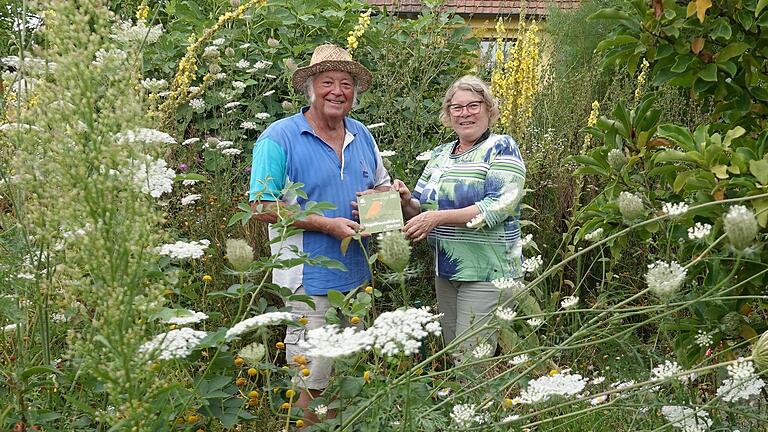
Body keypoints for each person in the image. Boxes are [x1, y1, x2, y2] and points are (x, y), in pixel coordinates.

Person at [249, 44, 391, 425]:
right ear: (310, 88)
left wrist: (381, 200)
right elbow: (262, 207)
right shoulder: (278, 138)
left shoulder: (361, 134)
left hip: (359, 276)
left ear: (355, 93)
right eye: (327, 81)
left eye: (346, 83)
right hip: (308, 280)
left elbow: (381, 186)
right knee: (311, 377)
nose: (337, 91)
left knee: (346, 374)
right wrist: (325, 223)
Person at [393, 75, 526, 359]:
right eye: (457, 107)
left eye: (474, 105)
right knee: (455, 354)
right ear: (448, 114)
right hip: (448, 270)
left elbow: (499, 205)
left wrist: (437, 218)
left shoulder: (502, 147)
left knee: (471, 361)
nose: (465, 113)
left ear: (489, 109)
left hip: (489, 272)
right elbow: (423, 211)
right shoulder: (440, 154)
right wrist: (406, 201)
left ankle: (481, 404)